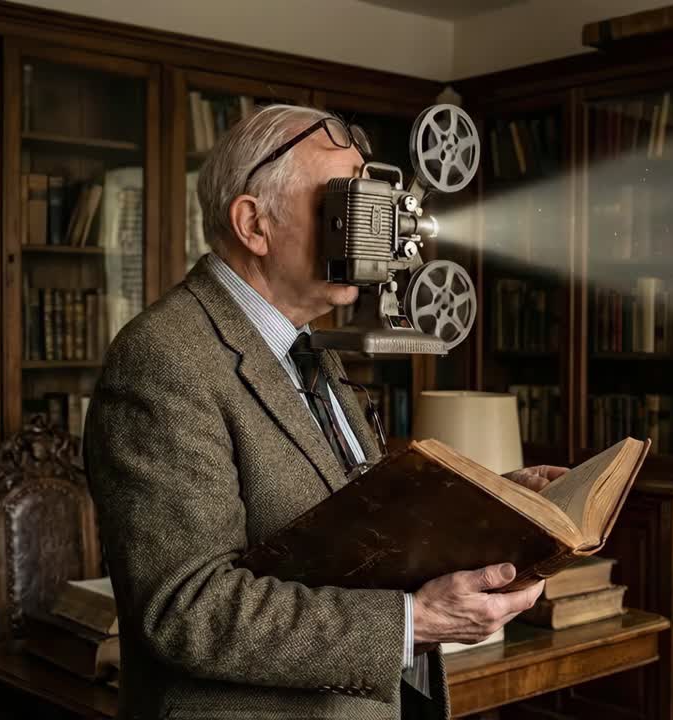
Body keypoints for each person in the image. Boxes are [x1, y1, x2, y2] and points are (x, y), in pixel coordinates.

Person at [84, 104, 561, 720]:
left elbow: (356, 525)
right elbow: (188, 609)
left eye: (374, 200)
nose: (375, 222)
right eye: (346, 201)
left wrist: (489, 506)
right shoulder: (164, 359)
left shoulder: (308, 349)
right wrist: (414, 622)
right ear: (254, 224)